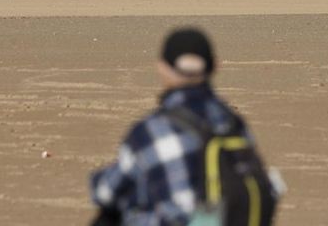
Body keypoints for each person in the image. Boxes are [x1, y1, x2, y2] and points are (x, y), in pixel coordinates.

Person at [90, 28, 279, 226]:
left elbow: (107, 192)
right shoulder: (234, 124)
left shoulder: (152, 130)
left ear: (162, 68)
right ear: (215, 66)